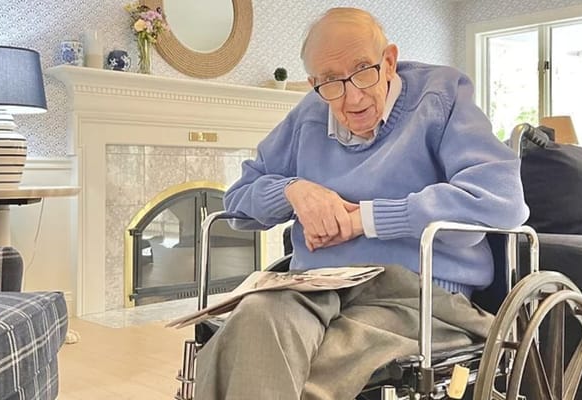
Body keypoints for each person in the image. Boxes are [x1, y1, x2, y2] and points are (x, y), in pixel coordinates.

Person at [193, 7, 529, 400]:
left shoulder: (441, 96)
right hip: (315, 288)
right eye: (331, 82)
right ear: (314, 83)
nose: (351, 96)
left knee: (306, 368)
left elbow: (501, 200)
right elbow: (237, 202)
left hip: (416, 295)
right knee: (252, 320)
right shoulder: (311, 113)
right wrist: (294, 191)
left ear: (389, 61)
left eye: (362, 71)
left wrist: (367, 219)